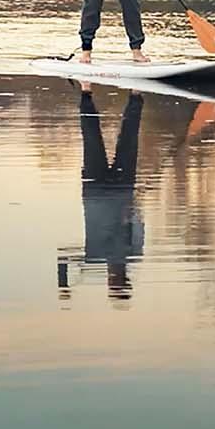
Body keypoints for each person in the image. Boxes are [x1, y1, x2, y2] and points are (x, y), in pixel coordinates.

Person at [65, 84, 144, 300]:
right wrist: (135, 210)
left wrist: (63, 283)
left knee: (91, 136)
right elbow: (138, 225)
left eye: (115, 281)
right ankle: (135, 93)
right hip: (118, 190)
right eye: (120, 280)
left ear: (110, 281)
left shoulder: (95, 258)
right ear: (125, 278)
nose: (116, 276)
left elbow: (62, 260)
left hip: (96, 190)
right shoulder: (128, 255)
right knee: (128, 138)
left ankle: (86, 90)